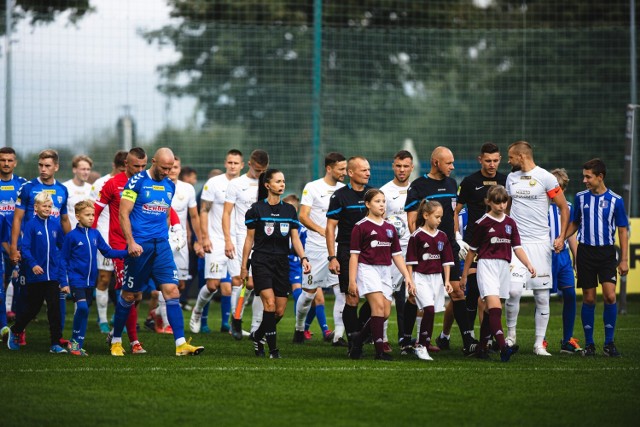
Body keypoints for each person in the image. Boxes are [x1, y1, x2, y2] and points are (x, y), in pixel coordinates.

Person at [111, 147, 204, 357]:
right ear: (153, 162)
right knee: (129, 295)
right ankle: (116, 340)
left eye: (171, 168)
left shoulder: (170, 185)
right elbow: (123, 213)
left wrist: (171, 235)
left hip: (161, 247)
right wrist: (131, 242)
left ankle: (181, 344)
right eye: (164, 168)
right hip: (139, 247)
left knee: (172, 291)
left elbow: (166, 215)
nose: (168, 172)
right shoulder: (136, 182)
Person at [404, 146, 477, 356]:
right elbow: (412, 219)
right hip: (425, 248)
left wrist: (456, 236)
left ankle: (467, 341)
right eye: (449, 163)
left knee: (458, 291)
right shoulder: (418, 186)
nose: (453, 167)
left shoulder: (452, 183)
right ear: (436, 163)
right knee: (412, 297)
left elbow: (453, 214)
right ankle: (406, 340)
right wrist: (421, 243)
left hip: (448, 245)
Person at [505, 141, 569, 356]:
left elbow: (563, 207)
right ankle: (510, 337)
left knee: (542, 296)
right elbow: (507, 208)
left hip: (540, 244)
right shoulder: (511, 178)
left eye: (511, 157)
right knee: (513, 290)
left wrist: (560, 236)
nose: (508, 161)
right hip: (516, 244)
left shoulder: (546, 177)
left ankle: (538, 344)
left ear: (522, 156)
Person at [461, 185, 536, 362]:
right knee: (495, 307)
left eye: (504, 202)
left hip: (504, 267)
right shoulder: (482, 223)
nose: (501, 206)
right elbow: (472, 251)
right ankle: (503, 347)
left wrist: (528, 264)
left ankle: (481, 347)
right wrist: (464, 275)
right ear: (488, 202)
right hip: (486, 266)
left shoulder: (510, 223)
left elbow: (517, 247)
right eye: (497, 202)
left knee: (491, 309)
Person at [242, 169, 310, 358]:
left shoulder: (290, 210)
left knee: (279, 311)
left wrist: (304, 258)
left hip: (282, 262)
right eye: (278, 181)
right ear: (267, 185)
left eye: (283, 181)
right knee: (269, 304)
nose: (282, 184)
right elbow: (249, 240)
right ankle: (273, 350)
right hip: (261, 261)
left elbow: (295, 238)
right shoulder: (256, 209)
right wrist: (244, 268)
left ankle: (258, 335)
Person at [565, 158, 629, 357]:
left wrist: (624, 259)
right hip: (585, 253)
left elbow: (622, 231)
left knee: (610, 296)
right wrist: (561, 238)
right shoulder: (580, 198)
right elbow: (575, 223)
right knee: (589, 298)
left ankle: (609, 343)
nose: (584, 180)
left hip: (607, 253)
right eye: (584, 176)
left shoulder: (616, 200)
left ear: (600, 177)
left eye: (588, 177)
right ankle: (590, 344)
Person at [10, 149, 71, 346]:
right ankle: (19, 330)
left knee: (55, 299)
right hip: (31, 253)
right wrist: (14, 247)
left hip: (52, 256)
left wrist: (70, 247)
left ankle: (56, 339)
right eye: (40, 165)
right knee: (30, 300)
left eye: (47, 166)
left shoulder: (62, 190)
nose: (43, 169)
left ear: (56, 167)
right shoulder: (28, 188)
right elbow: (17, 219)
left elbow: (64, 220)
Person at [93, 147, 148, 353]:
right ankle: (132, 341)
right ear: (126, 164)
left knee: (138, 295)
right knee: (129, 292)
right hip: (119, 246)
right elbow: (95, 211)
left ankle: (116, 329)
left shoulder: (149, 182)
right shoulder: (112, 183)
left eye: (144, 166)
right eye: (136, 166)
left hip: (143, 244)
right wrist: (93, 239)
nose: (141, 170)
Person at [348, 189, 413, 361]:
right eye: (377, 201)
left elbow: (397, 255)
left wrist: (407, 276)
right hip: (367, 269)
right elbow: (354, 256)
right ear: (368, 204)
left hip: (385, 271)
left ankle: (358, 339)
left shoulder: (390, 228)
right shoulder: (360, 227)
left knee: (384, 313)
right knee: (377, 308)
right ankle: (379, 352)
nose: (382, 204)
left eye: (383, 201)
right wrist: (352, 281)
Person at [60, 200, 129, 356]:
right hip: (76, 279)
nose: (91, 218)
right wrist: (64, 282)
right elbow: (63, 260)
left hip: (90, 281)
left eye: (93, 214)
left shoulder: (95, 234)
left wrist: (127, 251)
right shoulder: (71, 236)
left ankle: (76, 343)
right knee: (83, 308)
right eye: (87, 215)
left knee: (84, 312)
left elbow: (108, 252)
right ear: (77, 216)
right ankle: (75, 344)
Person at [454, 142, 507, 335]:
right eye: (487, 161)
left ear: (500, 159)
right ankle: (470, 336)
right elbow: (456, 211)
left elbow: (509, 212)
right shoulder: (469, 182)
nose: (491, 164)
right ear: (480, 160)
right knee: (474, 291)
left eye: (495, 160)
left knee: (493, 295)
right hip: (473, 243)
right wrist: (458, 236)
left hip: (498, 245)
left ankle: (491, 337)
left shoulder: (506, 180)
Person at [6, 192, 68, 353]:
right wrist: (33, 265)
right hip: (35, 275)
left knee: (54, 308)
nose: (47, 209)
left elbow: (62, 246)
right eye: (44, 206)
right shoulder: (31, 225)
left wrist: (61, 265)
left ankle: (55, 343)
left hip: (53, 275)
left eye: (49, 206)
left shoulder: (55, 225)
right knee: (33, 308)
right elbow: (24, 249)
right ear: (36, 207)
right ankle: (16, 330)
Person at [295, 152, 346, 346]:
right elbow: (303, 215)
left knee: (341, 291)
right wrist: (322, 231)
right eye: (341, 169)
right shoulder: (313, 187)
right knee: (308, 294)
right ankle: (299, 328)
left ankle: (338, 336)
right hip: (315, 249)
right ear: (329, 168)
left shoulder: (344, 190)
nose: (344, 172)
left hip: (337, 249)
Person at [191, 149, 244, 334]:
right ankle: (197, 311)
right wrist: (204, 238)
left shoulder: (246, 185)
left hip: (237, 241)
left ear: (242, 166)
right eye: (230, 162)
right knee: (213, 286)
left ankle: (235, 324)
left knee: (237, 282)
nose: (232, 166)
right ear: (225, 163)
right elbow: (203, 211)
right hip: (216, 241)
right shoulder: (214, 183)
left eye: (236, 163)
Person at [326, 156, 372, 352]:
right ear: (351, 173)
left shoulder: (373, 193)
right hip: (346, 251)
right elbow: (330, 228)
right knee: (352, 297)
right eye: (363, 170)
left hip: (371, 252)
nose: (368, 173)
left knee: (375, 298)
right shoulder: (339, 196)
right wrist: (332, 257)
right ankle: (354, 341)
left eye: (368, 169)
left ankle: (360, 331)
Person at [222, 149, 269, 339]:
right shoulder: (236, 184)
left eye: (263, 170)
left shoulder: (268, 182)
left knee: (259, 284)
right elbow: (226, 213)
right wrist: (227, 240)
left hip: (263, 239)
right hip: (242, 237)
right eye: (257, 170)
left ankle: (256, 326)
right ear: (249, 165)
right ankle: (236, 318)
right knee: (245, 282)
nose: (260, 174)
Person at [405, 200, 454, 361]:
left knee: (430, 311)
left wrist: (447, 281)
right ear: (426, 215)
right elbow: (410, 263)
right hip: (420, 278)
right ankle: (422, 346)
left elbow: (446, 262)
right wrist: (410, 281)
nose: (440, 220)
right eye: (437, 217)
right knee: (429, 309)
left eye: (441, 217)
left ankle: (420, 344)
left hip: (436, 279)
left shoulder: (442, 236)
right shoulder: (416, 236)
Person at [380, 150, 414, 352]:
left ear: (412, 167)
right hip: (392, 251)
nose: (402, 170)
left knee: (412, 295)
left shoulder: (417, 189)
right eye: (398, 166)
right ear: (393, 166)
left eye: (406, 166)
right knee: (389, 294)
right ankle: (381, 337)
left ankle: (411, 339)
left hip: (414, 249)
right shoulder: (384, 191)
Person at [90, 150, 128, 333]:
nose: (123, 172)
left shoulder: (132, 182)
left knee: (126, 280)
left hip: (126, 239)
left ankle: (120, 317)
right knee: (104, 278)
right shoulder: (101, 183)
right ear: (115, 166)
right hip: (105, 237)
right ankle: (103, 320)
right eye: (120, 168)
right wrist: (93, 235)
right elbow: (93, 211)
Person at [548, 168, 582, 354]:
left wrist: (576, 259)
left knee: (570, 296)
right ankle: (541, 340)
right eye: (553, 188)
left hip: (563, 258)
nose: (555, 192)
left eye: (559, 188)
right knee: (543, 298)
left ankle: (567, 340)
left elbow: (571, 237)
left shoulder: (568, 208)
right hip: (545, 256)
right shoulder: (540, 207)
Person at [168, 156, 205, 306]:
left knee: (181, 284)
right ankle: (165, 321)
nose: (172, 170)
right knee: (164, 282)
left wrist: (199, 240)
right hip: (160, 239)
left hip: (181, 241)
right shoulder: (156, 186)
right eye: (169, 167)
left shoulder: (187, 188)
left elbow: (194, 216)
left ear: (179, 169)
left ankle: (155, 314)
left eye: (175, 167)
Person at [0, 147, 27, 321]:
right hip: (1, 244)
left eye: (10, 160)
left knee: (18, 282)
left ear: (15, 163)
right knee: (1, 284)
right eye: (3, 160)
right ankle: (3, 321)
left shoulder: (23, 184)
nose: (6, 163)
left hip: (16, 243)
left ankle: (17, 320)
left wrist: (16, 246)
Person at [63, 155, 93, 229]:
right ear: (74, 169)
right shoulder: (65, 187)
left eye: (88, 169)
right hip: (69, 234)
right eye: (83, 169)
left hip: (86, 235)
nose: (86, 172)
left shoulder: (92, 189)